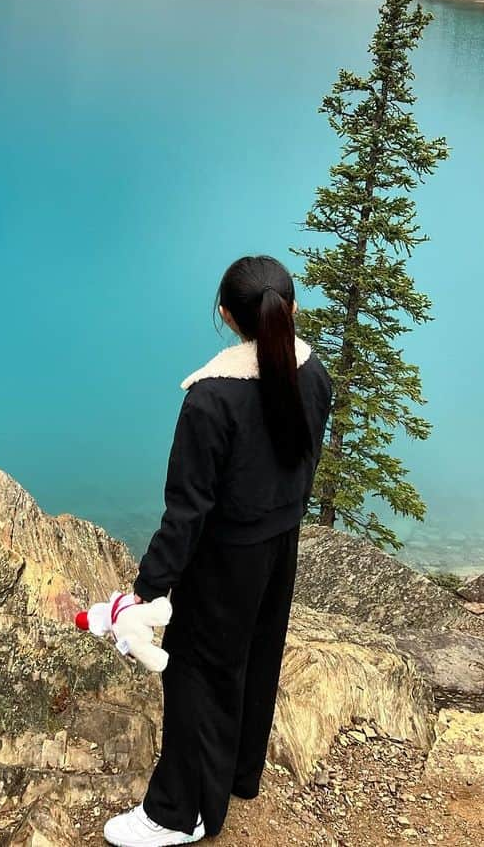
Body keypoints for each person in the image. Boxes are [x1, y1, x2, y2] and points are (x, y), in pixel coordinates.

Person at [104, 255, 333, 846]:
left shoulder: (212, 398)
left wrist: (147, 590)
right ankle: (236, 775)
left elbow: (188, 510)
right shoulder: (314, 375)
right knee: (257, 657)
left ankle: (177, 813)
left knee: (198, 674)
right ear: (292, 311)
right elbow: (300, 467)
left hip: (224, 559)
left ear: (226, 316)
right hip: (280, 547)